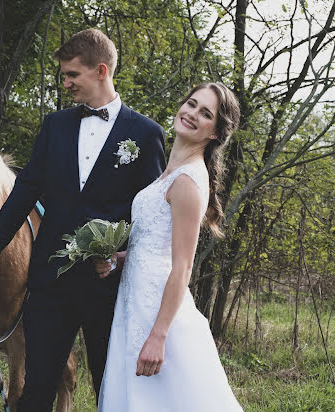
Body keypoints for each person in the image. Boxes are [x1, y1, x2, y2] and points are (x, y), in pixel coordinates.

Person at [0, 28, 166, 411]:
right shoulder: (54, 127)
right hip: (50, 283)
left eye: (72, 75)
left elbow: (151, 216)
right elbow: (21, 195)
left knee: (111, 387)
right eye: (63, 75)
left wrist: (123, 258)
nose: (65, 83)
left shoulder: (145, 134)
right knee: (36, 387)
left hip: (111, 288)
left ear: (101, 70)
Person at [96, 83, 243, 411]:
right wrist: (121, 258)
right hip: (134, 304)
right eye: (191, 103)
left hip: (157, 313)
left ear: (215, 133)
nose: (192, 114)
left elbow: (183, 266)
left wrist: (159, 336)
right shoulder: (169, 174)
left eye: (205, 114)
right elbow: (155, 243)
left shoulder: (188, 182)